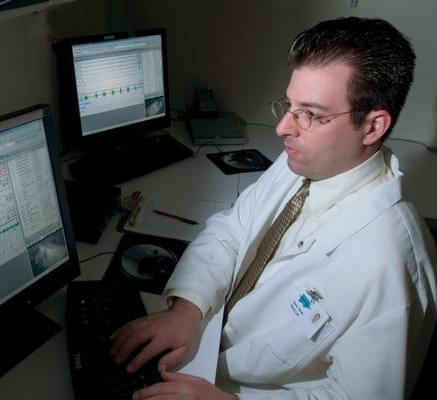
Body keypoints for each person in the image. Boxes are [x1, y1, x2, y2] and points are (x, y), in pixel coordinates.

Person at [110, 17, 437, 400]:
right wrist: (187, 310)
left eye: (311, 115)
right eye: (289, 106)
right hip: (203, 347)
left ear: (372, 126)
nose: (284, 127)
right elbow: (233, 229)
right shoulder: (305, 160)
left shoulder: (389, 265)